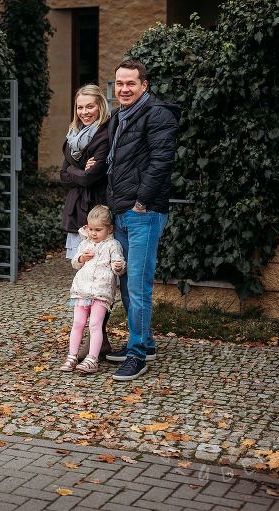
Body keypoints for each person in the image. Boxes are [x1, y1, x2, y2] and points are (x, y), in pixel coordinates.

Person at [104, 59, 180, 381]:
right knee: (125, 281)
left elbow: (162, 161)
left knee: (138, 285)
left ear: (144, 85)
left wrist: (140, 202)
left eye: (131, 83)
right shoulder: (120, 116)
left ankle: (136, 356)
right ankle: (144, 343)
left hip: (143, 213)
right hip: (122, 212)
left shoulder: (157, 114)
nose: (124, 89)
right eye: (119, 83)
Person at [59, 84, 113, 357]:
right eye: (80, 107)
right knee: (84, 278)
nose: (84, 112)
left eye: (89, 106)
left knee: (99, 279)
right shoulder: (72, 136)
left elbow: (94, 176)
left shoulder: (104, 134)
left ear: (100, 106)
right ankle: (96, 341)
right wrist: (77, 170)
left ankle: (98, 339)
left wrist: (74, 171)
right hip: (76, 211)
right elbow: (62, 174)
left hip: (95, 211)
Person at [59, 205, 125, 374]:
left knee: (95, 324)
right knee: (78, 323)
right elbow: (75, 263)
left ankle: (92, 358)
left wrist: (118, 266)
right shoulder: (85, 243)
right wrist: (82, 257)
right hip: (82, 290)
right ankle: (72, 356)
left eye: (98, 229)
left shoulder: (113, 245)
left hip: (101, 293)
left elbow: (119, 266)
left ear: (109, 229)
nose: (94, 233)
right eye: (91, 229)